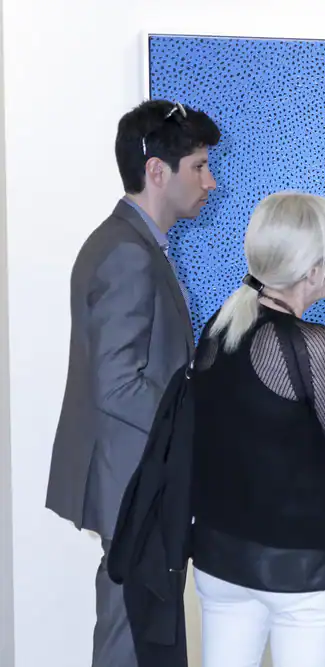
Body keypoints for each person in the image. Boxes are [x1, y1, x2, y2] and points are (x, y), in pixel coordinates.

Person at [46, 99, 220, 667]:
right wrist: (189, 430)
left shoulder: (129, 244)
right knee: (132, 636)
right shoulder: (128, 253)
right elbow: (118, 383)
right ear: (156, 171)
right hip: (132, 481)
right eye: (198, 166)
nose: (210, 181)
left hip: (134, 475)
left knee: (142, 633)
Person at [188, 191, 325, 667]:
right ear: (313, 271)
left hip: (219, 557)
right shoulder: (314, 345)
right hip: (300, 569)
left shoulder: (218, 330)